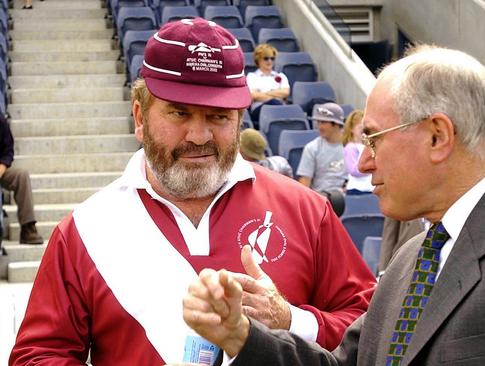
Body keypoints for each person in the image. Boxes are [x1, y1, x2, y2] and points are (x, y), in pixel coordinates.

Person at [182, 45, 485, 365]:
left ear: (437, 136)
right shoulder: (412, 259)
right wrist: (243, 335)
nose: (363, 161)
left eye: (374, 139)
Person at [9, 18, 376, 366]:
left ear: (238, 119)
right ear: (140, 117)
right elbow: (37, 355)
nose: (199, 136)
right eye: (179, 113)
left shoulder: (307, 212)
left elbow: (374, 332)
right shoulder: (85, 230)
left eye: (218, 116)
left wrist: (289, 320)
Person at [0, 116, 44, 245]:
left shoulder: (1, 121)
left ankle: (28, 228)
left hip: (1, 169)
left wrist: (1, 168)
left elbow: (7, 151)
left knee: (21, 176)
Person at [297, 103, 347, 194]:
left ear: (336, 124)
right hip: (322, 198)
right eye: (318, 122)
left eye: (323, 122)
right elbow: (305, 182)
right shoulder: (312, 148)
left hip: (348, 197)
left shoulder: (351, 146)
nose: (319, 127)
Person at [246, 43, 290, 124]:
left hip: (278, 107)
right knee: (275, 102)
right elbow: (253, 95)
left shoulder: (281, 75)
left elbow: (285, 92)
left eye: (272, 58)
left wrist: (265, 93)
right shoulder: (252, 76)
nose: (269, 61)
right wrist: (276, 95)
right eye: (266, 58)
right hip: (259, 109)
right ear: (258, 59)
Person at [342, 110, 373, 195]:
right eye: (360, 128)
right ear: (351, 129)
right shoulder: (351, 147)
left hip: (370, 189)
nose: (363, 131)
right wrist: (371, 168)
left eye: (365, 129)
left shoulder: (368, 146)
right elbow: (353, 170)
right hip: (356, 190)